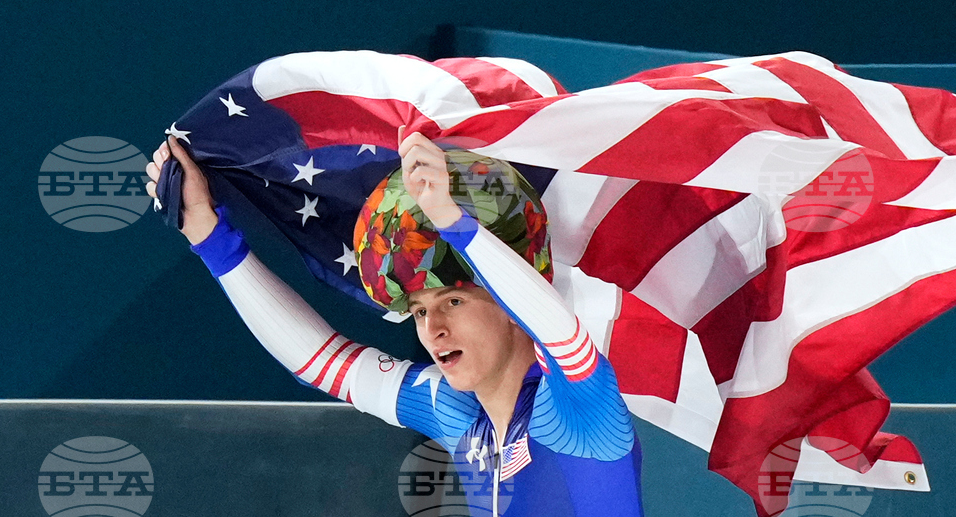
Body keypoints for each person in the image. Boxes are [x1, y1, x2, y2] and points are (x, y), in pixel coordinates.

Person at [145, 128, 644, 517]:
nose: (432, 331)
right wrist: (208, 236)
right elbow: (319, 360)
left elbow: (557, 332)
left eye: (453, 302)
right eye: (421, 311)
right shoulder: (457, 415)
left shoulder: (578, 411)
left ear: (508, 303)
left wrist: (454, 221)